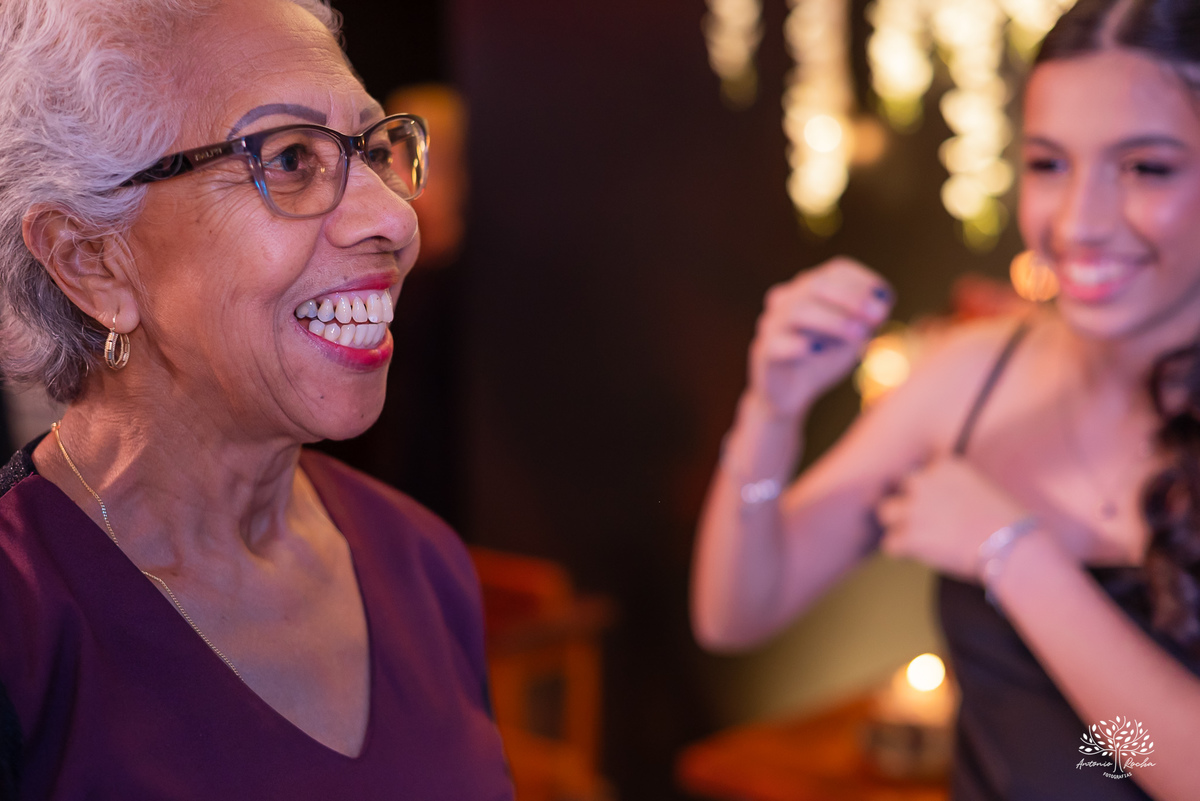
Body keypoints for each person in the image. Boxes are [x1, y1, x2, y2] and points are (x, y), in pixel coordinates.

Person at [0, 1, 513, 798]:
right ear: (91, 260)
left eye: (375, 150)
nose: (392, 216)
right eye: (286, 159)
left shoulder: (422, 560)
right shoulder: (22, 623)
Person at [692, 1, 1200, 798]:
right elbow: (737, 610)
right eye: (1048, 164)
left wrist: (1011, 551)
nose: (1080, 220)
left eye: (1147, 168)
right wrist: (771, 412)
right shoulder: (974, 373)